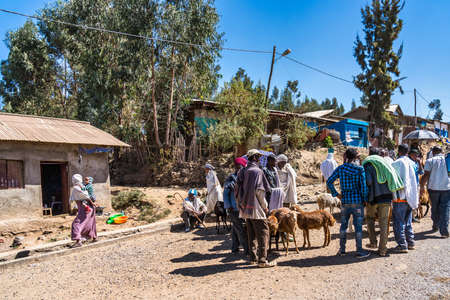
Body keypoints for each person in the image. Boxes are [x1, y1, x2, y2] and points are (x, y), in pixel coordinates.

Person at [327, 148, 370, 258]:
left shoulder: (340, 168)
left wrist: (336, 195)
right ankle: (359, 250)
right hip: (357, 202)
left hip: (345, 201)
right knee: (358, 227)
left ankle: (342, 250)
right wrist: (365, 199)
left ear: (347, 156)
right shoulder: (360, 169)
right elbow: (364, 187)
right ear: (355, 157)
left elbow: (329, 181)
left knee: (343, 226)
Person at [237, 149, 275, 268]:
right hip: (257, 207)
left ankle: (253, 258)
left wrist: (241, 205)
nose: (259, 160)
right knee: (264, 232)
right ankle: (262, 260)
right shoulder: (257, 172)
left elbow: (237, 190)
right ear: (254, 158)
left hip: (245, 208)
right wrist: (265, 207)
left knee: (251, 233)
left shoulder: (243, 171)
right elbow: (260, 191)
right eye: (258, 157)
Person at [362, 147, 403, 257]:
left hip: (373, 198)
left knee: (370, 219)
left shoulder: (368, 164)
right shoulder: (385, 163)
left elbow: (369, 182)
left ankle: (373, 242)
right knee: (384, 223)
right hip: (386, 197)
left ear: (370, 154)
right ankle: (383, 250)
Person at [391, 144, 419, 253]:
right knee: (408, 221)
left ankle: (402, 245)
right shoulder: (413, 163)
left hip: (399, 197)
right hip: (411, 196)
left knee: (399, 222)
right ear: (407, 152)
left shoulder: (395, 163)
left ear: (399, 151)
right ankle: (410, 242)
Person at [420, 146, 450, 238]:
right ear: (441, 152)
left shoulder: (430, 161)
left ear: (433, 152)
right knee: (445, 209)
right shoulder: (447, 160)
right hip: (446, 188)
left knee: (435, 208)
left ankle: (436, 225)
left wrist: (421, 186)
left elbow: (426, 175)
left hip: (433, 189)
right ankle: (444, 232)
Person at [223, 157, 249, 255]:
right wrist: (228, 205)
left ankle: (235, 247)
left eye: (241, 167)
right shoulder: (231, 178)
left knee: (235, 228)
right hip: (234, 208)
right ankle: (247, 250)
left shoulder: (244, 177)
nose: (239, 168)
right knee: (241, 229)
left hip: (242, 207)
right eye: (237, 167)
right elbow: (225, 193)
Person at [70, 174, 97, 248]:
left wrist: (92, 203)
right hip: (89, 208)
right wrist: (93, 204)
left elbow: (86, 196)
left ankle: (78, 241)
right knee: (91, 222)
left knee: (76, 224)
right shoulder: (82, 186)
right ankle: (94, 238)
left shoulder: (76, 188)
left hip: (85, 208)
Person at [409, 148, 424, 223]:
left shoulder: (416, 163)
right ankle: (409, 216)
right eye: (415, 155)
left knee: (415, 200)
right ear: (410, 155)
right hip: (409, 184)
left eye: (417, 155)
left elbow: (421, 172)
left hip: (416, 184)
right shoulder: (408, 163)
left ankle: (413, 216)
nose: (416, 156)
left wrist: (420, 163)